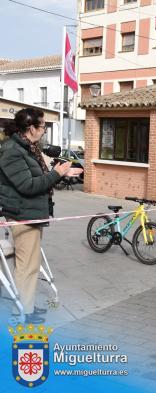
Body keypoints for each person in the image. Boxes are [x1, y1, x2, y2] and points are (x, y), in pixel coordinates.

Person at [0, 108, 82, 324]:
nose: (44, 130)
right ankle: (22, 314)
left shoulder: (26, 147)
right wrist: (57, 173)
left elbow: (39, 176)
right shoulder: (12, 151)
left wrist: (62, 174)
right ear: (31, 128)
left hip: (29, 214)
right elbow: (28, 185)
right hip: (22, 215)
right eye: (42, 126)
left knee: (28, 264)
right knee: (27, 266)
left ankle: (24, 308)